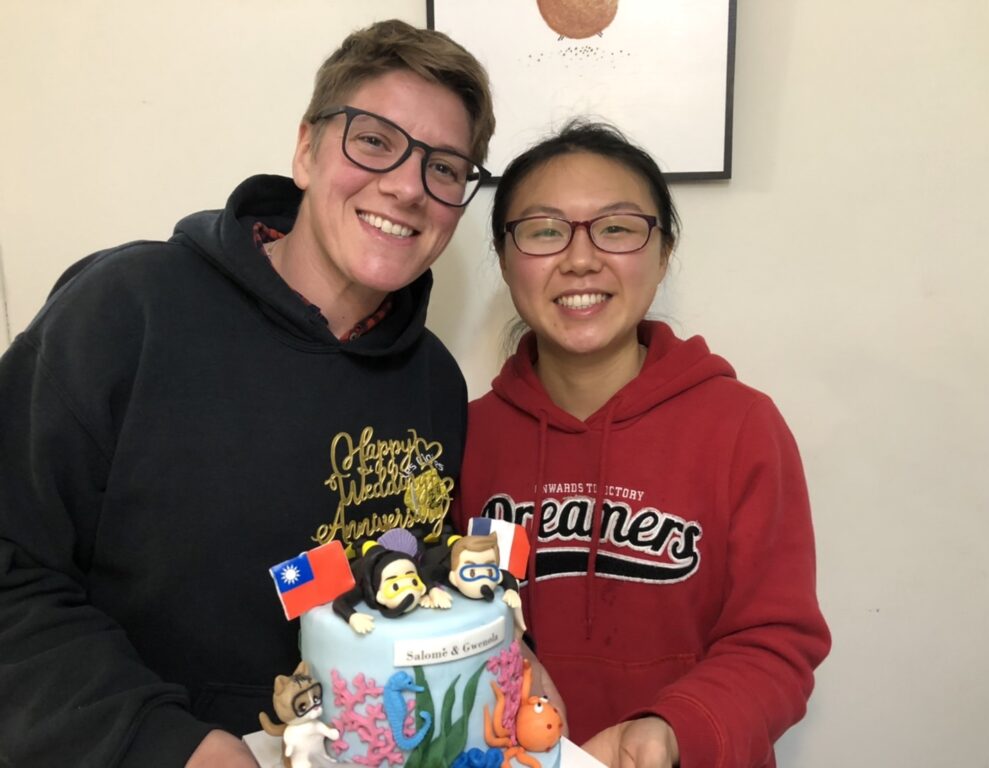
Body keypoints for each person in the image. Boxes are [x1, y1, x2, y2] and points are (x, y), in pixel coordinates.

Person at [0, 19, 493, 768]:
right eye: (374, 141)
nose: (406, 186)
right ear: (305, 149)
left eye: (446, 168)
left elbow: (410, 599)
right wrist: (169, 745)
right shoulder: (127, 310)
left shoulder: (435, 384)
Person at [453, 121, 831, 768]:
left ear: (663, 252)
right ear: (504, 256)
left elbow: (777, 644)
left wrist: (672, 729)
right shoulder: (463, 436)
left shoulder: (742, 428)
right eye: (545, 230)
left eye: (618, 228)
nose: (580, 258)